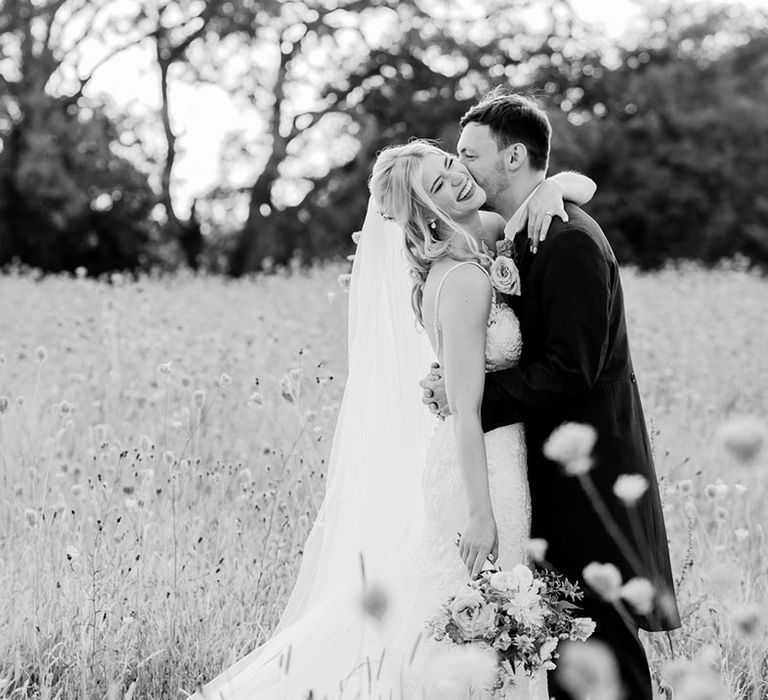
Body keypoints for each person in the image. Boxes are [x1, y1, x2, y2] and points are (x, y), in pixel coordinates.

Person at [188, 138, 596, 699]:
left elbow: (580, 188)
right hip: (480, 467)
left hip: (491, 455)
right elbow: (467, 411)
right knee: (473, 614)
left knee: (462, 613)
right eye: (437, 185)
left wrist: (549, 185)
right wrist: (480, 512)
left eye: (451, 164)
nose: (455, 177)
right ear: (426, 215)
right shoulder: (464, 280)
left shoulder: (480, 241)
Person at [421, 90, 681, 700]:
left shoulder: (565, 241)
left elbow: (571, 372)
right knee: (565, 651)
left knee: (603, 652)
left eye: (469, 154)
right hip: (545, 472)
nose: (461, 169)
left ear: (513, 158)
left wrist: (472, 397)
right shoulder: (517, 232)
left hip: (589, 473)